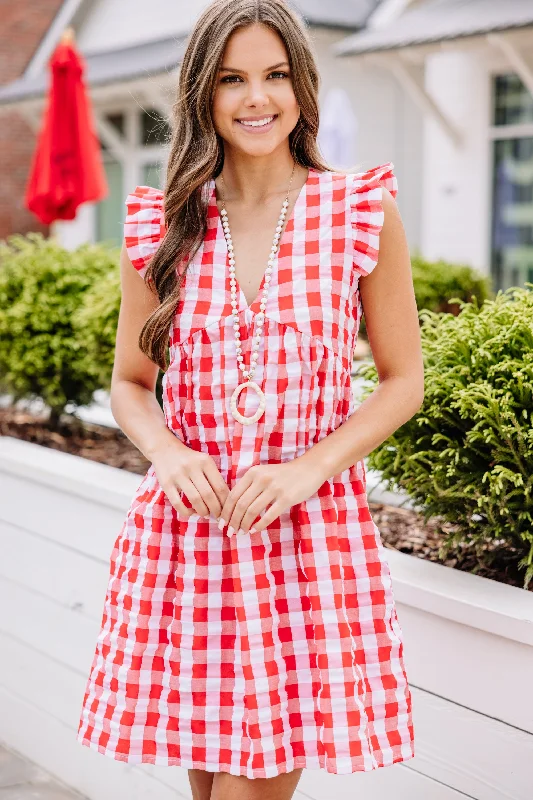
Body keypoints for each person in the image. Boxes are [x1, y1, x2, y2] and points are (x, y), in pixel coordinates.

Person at [77, 1, 423, 798]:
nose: (255, 98)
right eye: (231, 79)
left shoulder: (359, 211)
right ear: (202, 93)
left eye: (273, 75)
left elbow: (403, 380)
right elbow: (130, 385)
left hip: (304, 538)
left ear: (302, 86)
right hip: (189, 536)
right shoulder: (161, 225)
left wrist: (307, 469)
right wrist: (169, 451)